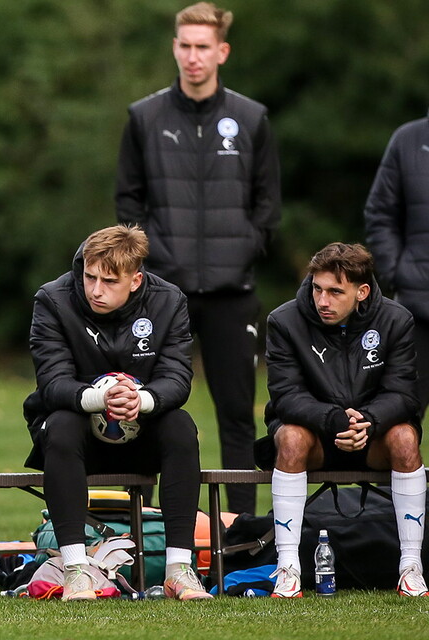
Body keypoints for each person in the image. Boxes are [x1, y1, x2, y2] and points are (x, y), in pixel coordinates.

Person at [115, 1, 281, 515]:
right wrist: (154, 260)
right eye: (184, 45)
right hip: (161, 294)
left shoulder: (251, 118)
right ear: (174, 47)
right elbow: (128, 204)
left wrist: (243, 250)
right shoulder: (144, 117)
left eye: (202, 47)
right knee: (138, 407)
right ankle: (137, 530)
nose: (192, 56)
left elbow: (268, 205)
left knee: (236, 414)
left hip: (233, 294)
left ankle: (243, 528)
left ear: (221, 51)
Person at [23, 224, 212, 601]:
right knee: (59, 424)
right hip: (74, 436)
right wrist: (101, 397)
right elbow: (52, 381)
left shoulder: (168, 300)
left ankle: (179, 570)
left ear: (136, 280)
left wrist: (141, 401)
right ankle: (76, 569)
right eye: (90, 276)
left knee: (181, 426)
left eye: (109, 281)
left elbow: (177, 377)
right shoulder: (53, 299)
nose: (95, 289)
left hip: (144, 433)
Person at [263, 242, 426, 598]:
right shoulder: (284, 320)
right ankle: (288, 566)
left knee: (406, 438)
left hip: (374, 436)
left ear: (361, 292)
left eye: (336, 292)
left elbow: (403, 394)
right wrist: (334, 420)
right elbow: (286, 396)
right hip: (316, 439)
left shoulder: (397, 320)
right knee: (289, 437)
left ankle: (410, 566)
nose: (323, 300)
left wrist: (368, 420)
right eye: (317, 288)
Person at [364, 110, 429, 419]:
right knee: (400, 424)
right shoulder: (408, 140)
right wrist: (400, 274)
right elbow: (380, 215)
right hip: (417, 311)